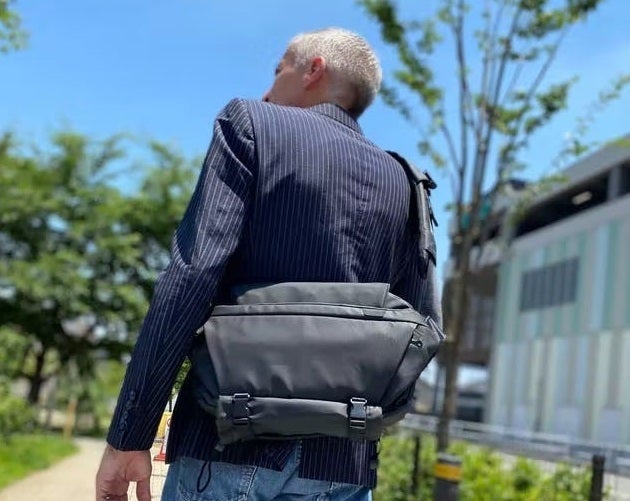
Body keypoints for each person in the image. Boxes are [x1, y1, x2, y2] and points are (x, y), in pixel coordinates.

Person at [96, 27, 441, 501]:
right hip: (343, 465)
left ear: (314, 69)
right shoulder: (405, 180)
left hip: (231, 439)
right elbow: (421, 323)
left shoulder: (251, 123)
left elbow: (193, 273)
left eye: (278, 70)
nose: (266, 90)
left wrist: (131, 433)